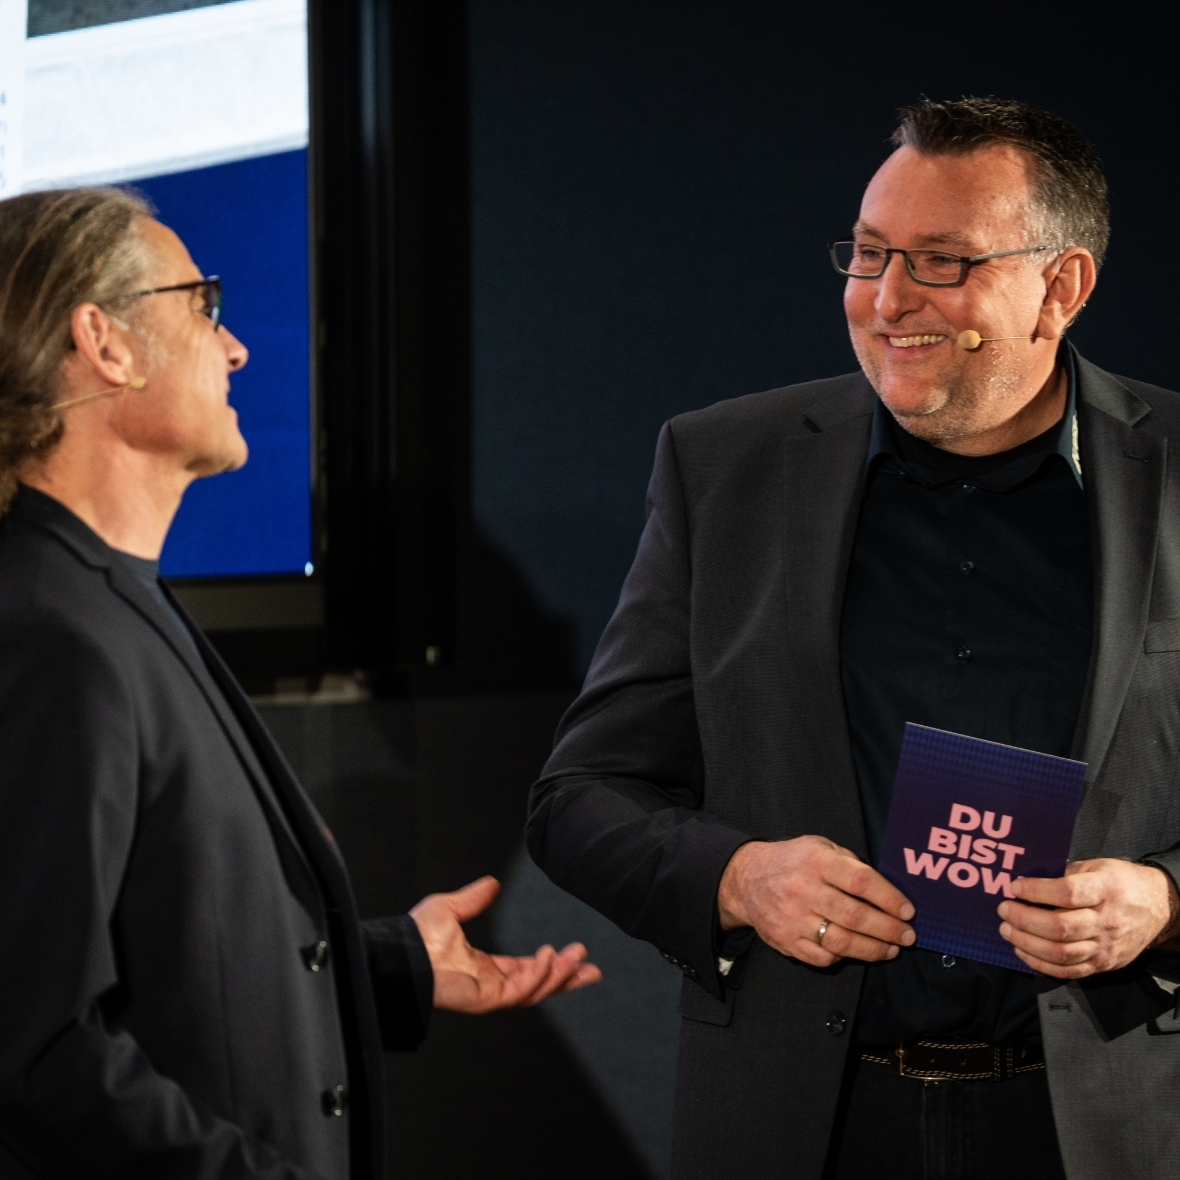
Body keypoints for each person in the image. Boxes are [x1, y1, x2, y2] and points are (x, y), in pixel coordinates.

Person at [526, 96, 1180, 1180]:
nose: (886, 300)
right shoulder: (723, 467)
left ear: (1061, 287)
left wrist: (1165, 903)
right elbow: (580, 797)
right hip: (805, 1125)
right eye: (870, 254)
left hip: (1113, 1128)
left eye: (941, 262)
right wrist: (739, 878)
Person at [0, 186, 600, 1179]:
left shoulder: (106, 606)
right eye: (203, 306)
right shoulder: (48, 635)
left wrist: (395, 966)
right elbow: (34, 1052)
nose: (235, 349)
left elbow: (172, 953)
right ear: (103, 343)